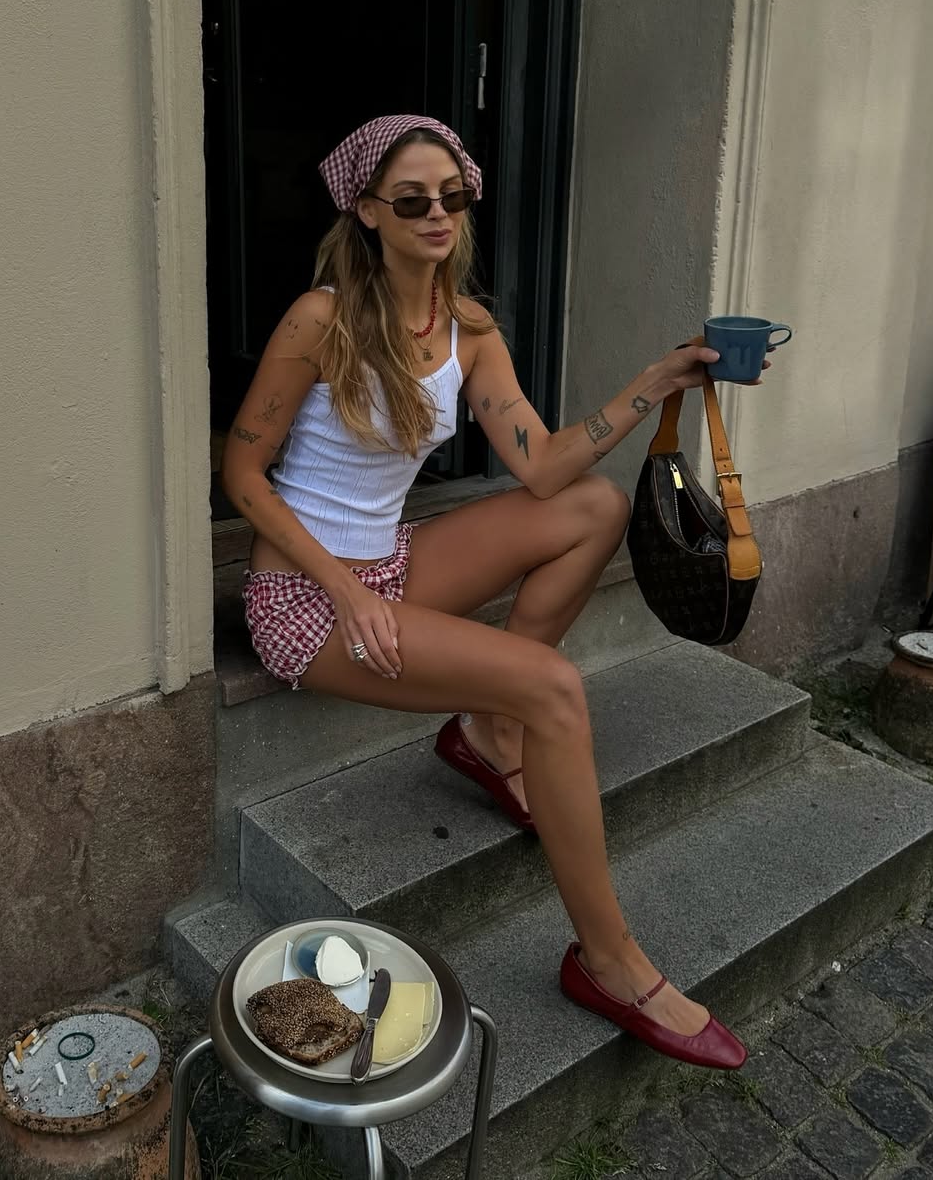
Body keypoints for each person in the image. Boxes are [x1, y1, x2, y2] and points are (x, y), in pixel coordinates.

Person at [221, 113, 756, 1069]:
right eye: (412, 199)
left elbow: (544, 466)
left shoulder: (468, 328)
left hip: (396, 563)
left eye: (452, 196)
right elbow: (244, 475)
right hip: (307, 596)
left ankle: (490, 733)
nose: (437, 214)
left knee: (589, 508)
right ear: (368, 212)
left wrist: (653, 381)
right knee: (553, 685)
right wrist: (347, 592)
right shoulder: (323, 317)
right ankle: (609, 959)